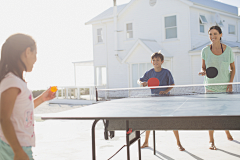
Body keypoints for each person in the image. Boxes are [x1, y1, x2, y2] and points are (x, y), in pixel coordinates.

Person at [0, 34, 56, 160]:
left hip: (19, 146)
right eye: (35, 54)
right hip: (14, 147)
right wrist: (18, 151)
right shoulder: (12, 82)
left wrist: (42, 98)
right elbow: (4, 118)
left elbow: (21, 112)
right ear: (27, 52)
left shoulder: (16, 81)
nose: (35, 59)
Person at [137, 52, 185, 151]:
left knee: (172, 121)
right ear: (151, 62)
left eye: (157, 60)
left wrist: (166, 91)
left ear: (162, 61)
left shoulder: (166, 72)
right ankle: (146, 142)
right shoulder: (149, 73)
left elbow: (172, 84)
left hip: (166, 101)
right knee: (149, 121)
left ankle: (178, 143)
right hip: (153, 101)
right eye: (153, 60)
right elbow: (139, 80)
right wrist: (142, 83)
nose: (155, 62)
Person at [199, 25, 235, 150]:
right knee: (212, 114)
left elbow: (233, 68)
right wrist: (203, 71)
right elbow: (203, 67)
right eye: (210, 34)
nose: (212, 36)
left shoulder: (229, 50)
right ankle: (211, 140)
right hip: (210, 87)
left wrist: (230, 84)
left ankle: (227, 131)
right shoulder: (204, 50)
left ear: (220, 35)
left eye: (215, 34)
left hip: (225, 87)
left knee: (224, 113)